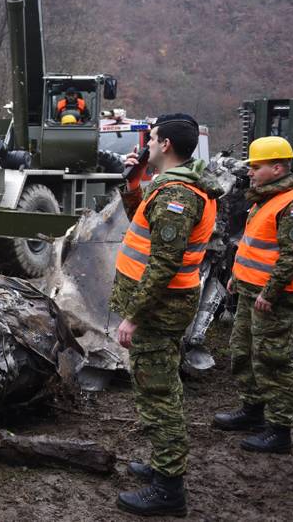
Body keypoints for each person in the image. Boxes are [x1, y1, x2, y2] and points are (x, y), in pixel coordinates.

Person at [109, 114, 221, 517]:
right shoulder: (170, 189)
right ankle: (162, 465)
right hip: (164, 306)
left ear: (167, 144)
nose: (148, 145)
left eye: (152, 139)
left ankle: (169, 488)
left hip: (158, 309)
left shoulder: (179, 196)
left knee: (158, 394)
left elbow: (163, 263)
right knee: (160, 386)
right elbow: (144, 222)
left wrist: (133, 316)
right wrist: (133, 183)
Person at [213, 136, 293, 454]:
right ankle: (253, 411)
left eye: (256, 167)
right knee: (243, 351)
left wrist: (271, 292)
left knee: (272, 359)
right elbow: (253, 245)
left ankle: (279, 429)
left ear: (277, 167)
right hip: (249, 290)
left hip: (274, 296)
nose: (251, 173)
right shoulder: (267, 198)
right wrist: (236, 276)